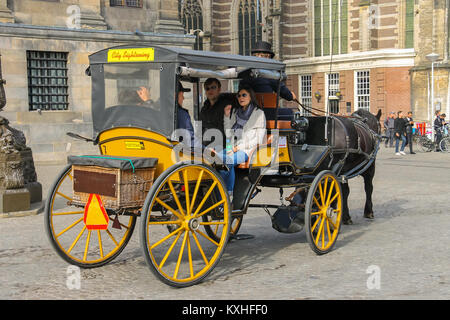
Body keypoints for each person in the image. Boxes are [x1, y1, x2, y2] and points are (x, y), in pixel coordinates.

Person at [220, 85, 266, 197]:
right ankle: (218, 194)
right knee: (215, 160)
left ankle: (228, 193)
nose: (241, 97)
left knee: (227, 162)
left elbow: (258, 139)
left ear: (251, 97)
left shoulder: (258, 114)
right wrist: (226, 116)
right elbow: (229, 133)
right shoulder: (236, 112)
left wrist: (237, 148)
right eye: (239, 95)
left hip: (246, 150)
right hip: (233, 147)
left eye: (244, 95)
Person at [199, 78, 234, 149]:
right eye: (207, 88)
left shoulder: (227, 106)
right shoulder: (204, 109)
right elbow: (200, 129)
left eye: (213, 87)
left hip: (222, 147)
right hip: (206, 147)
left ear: (219, 89)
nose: (210, 90)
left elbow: (229, 131)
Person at [176, 81, 203, 150]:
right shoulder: (181, 114)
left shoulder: (158, 111)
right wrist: (206, 150)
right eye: (181, 95)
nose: (183, 98)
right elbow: (190, 141)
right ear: (175, 95)